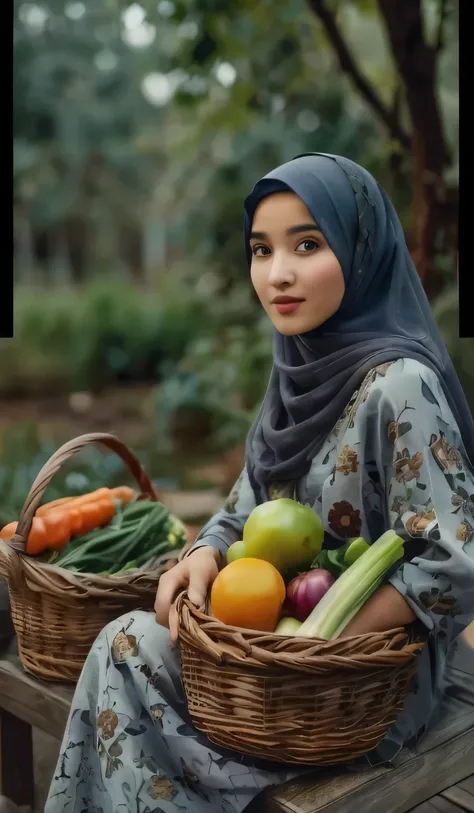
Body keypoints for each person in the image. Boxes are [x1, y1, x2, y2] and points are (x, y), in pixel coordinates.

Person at [45, 154, 474, 813]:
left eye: (307, 244)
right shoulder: (295, 371)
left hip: (369, 683)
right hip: (269, 653)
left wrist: (319, 639)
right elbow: (250, 503)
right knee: (123, 643)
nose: (278, 273)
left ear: (360, 252)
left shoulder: (399, 387)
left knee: (131, 664)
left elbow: (455, 560)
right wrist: (205, 553)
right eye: (261, 249)